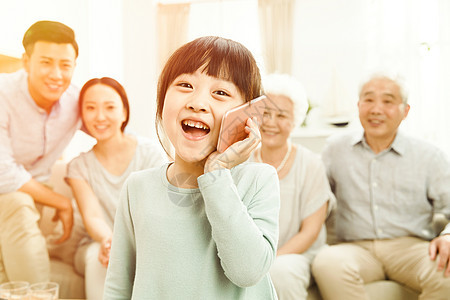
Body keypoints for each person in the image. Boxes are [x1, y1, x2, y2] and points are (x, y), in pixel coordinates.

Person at [103, 36, 280, 299]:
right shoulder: (137, 188)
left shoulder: (258, 179)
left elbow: (247, 271)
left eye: (220, 92)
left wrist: (217, 173)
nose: (197, 103)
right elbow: (118, 286)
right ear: (162, 102)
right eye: (185, 85)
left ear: (247, 114)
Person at [312, 73, 450, 299]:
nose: (376, 109)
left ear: (405, 111)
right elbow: (313, 197)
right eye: (368, 100)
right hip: (355, 248)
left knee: (446, 271)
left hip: (410, 247)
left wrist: (448, 236)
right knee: (327, 262)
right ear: (358, 106)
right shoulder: (335, 150)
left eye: (387, 101)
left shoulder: (429, 156)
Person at [65, 77, 168, 299]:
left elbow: (157, 209)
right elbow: (92, 216)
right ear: (82, 115)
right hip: (97, 243)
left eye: (109, 107)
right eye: (90, 108)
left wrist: (133, 246)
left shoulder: (150, 154)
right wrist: (110, 243)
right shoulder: (78, 167)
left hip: (142, 240)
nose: (100, 116)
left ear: (123, 112)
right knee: (100, 258)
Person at [0, 20, 80, 283]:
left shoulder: (76, 102)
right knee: (19, 204)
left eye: (65, 65)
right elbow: (4, 173)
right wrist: (61, 202)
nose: (57, 74)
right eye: (46, 62)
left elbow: (112, 127)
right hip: (12, 196)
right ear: (26, 61)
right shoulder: (3, 93)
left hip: (31, 197)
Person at [249, 73, 334, 300]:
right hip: (250, 256)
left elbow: (310, 232)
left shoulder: (311, 164)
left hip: (298, 255)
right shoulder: (242, 161)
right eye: (265, 113)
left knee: (279, 271)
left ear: (294, 120)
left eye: (281, 115)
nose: (271, 122)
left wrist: (269, 260)